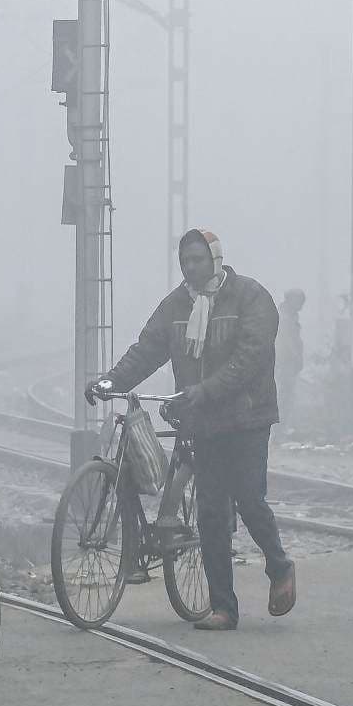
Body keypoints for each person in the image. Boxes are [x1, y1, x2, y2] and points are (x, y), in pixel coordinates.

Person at [85, 228, 296, 631]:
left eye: (198, 259)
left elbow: (249, 358)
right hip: (205, 421)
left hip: (247, 418)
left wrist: (205, 390)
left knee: (249, 500)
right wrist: (112, 382)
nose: (191, 267)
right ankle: (223, 608)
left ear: (215, 260)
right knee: (211, 511)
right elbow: (147, 350)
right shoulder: (176, 306)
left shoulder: (252, 297)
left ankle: (280, 566)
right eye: (185, 261)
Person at [276, 288, 306, 434]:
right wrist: (295, 357)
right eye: (299, 301)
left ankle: (281, 430)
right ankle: (277, 431)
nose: (301, 306)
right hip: (283, 363)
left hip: (289, 364)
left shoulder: (291, 317)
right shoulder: (283, 318)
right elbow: (286, 341)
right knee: (282, 397)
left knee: (287, 397)